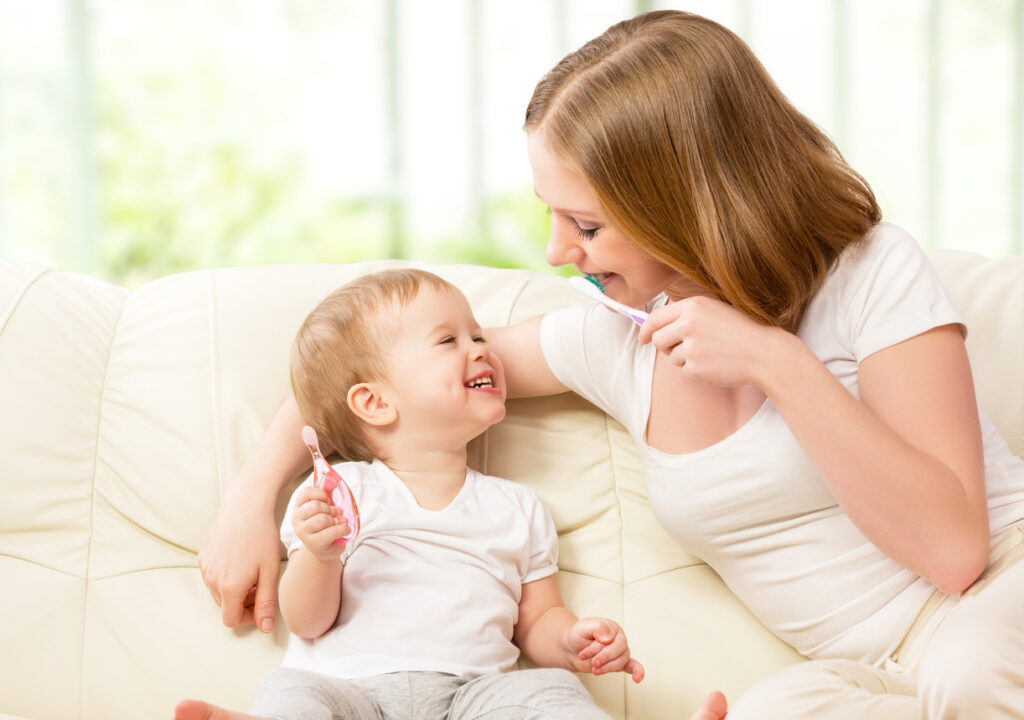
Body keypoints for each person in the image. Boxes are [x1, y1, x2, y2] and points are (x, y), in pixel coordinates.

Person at [199, 10, 1024, 720]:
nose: (558, 253)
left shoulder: (870, 273)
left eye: (586, 226)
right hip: (871, 675)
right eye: (552, 217)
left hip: (993, 603)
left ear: (687, 205)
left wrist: (778, 363)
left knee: (968, 670)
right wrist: (251, 494)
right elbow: (383, 370)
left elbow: (954, 552)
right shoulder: (616, 341)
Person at [177, 268, 647, 720]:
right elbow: (305, 622)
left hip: (473, 698)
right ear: (375, 403)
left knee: (550, 689)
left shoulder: (519, 508)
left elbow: (538, 619)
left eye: (479, 336)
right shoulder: (339, 493)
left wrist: (571, 642)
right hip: (351, 692)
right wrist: (320, 557)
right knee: (294, 692)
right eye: (449, 340)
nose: (482, 350)